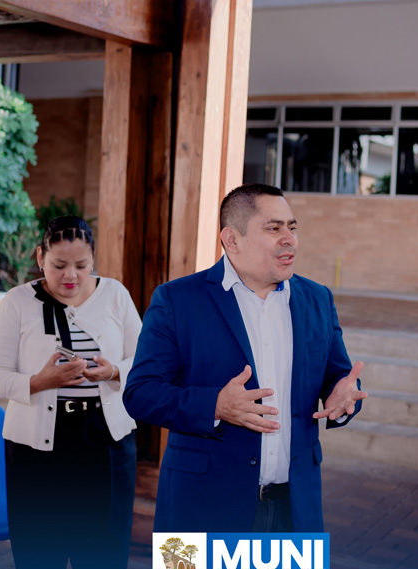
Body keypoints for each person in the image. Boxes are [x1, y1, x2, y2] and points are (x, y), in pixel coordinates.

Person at [124, 183, 366, 536]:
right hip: (200, 508)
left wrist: (343, 396)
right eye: (273, 228)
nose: (289, 239)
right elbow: (140, 394)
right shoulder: (177, 300)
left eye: (292, 227)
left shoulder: (317, 298)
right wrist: (216, 406)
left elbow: (337, 378)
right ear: (232, 239)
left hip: (294, 511)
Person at [0, 216, 142, 569]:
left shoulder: (115, 294)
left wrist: (113, 371)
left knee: (103, 563)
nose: (71, 276)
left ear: (93, 259)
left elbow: (145, 361)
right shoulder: (18, 301)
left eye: (81, 265)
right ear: (40, 257)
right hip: (36, 451)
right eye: (59, 265)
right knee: (40, 563)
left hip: (106, 443)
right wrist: (41, 382)